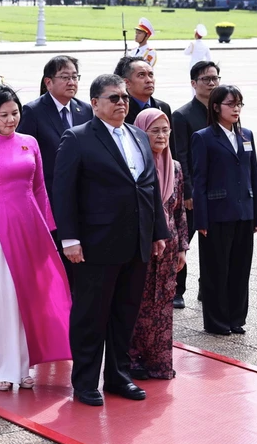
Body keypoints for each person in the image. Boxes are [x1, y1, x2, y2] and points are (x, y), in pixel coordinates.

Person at [52, 73, 169, 407]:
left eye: (124, 98)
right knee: (91, 316)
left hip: (136, 241)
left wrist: (158, 232)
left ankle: (118, 376)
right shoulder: (77, 138)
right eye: (113, 98)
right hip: (95, 244)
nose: (121, 103)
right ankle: (86, 382)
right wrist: (70, 239)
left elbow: (148, 188)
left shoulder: (138, 136)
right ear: (94, 103)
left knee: (124, 313)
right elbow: (63, 193)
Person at [0, 86, 72, 391]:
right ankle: (1, 369)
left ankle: (23, 365)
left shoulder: (29, 142)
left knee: (31, 297)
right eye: (3, 114)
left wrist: (48, 228)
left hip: (32, 226)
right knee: (3, 298)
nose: (10, 119)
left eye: (15, 113)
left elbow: (39, 187)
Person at [191, 85, 257, 336]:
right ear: (216, 106)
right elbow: (199, 181)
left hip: (244, 212)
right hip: (217, 214)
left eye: (239, 104)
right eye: (231, 104)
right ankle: (216, 321)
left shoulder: (246, 135)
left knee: (240, 269)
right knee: (216, 270)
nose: (236, 109)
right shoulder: (204, 137)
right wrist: (201, 219)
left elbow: (253, 176)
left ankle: (236, 318)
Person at [18, 55, 93, 290]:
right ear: (48, 82)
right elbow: (25, 155)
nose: (71, 82)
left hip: (82, 197)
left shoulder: (85, 110)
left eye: (75, 77)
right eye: (65, 77)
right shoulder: (33, 111)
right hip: (49, 198)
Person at [129, 109, 189, 380]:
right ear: (141, 132)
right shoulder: (135, 165)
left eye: (165, 130)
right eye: (155, 130)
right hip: (141, 245)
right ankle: (133, 361)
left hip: (169, 247)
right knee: (138, 304)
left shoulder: (175, 168)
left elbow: (179, 212)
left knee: (163, 305)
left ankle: (159, 362)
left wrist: (182, 248)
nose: (162, 136)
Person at [172, 61, 220, 308]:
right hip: (193, 191)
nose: (211, 83)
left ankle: (207, 287)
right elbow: (181, 154)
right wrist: (188, 191)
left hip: (217, 190)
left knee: (213, 242)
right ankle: (177, 290)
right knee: (184, 240)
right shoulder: (182, 115)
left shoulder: (223, 111)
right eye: (205, 79)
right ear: (193, 84)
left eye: (214, 78)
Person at [117, 56, 176, 163]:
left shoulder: (163, 107)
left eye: (151, 75)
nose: (149, 80)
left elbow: (170, 147)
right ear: (126, 83)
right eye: (141, 75)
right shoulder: (120, 110)